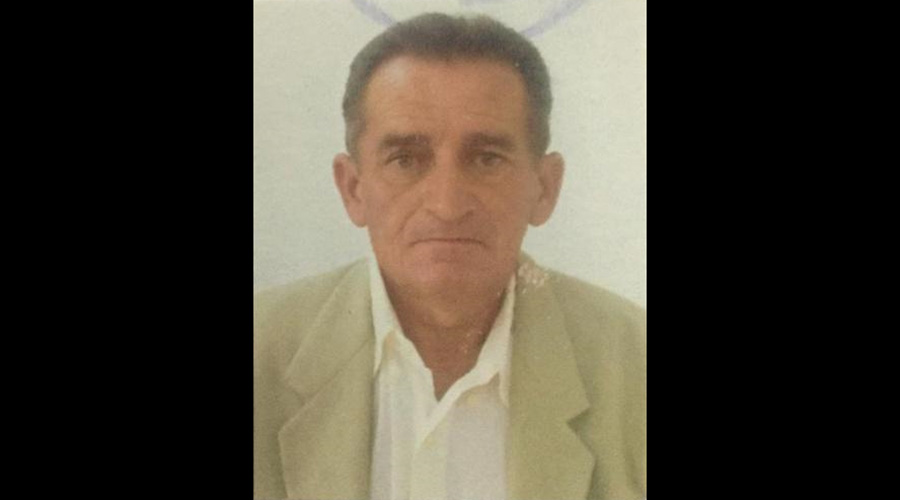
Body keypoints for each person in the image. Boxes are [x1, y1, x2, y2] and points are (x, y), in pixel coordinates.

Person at [254, 12, 645, 500]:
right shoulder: (261, 353)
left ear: (544, 188)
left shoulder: (635, 369)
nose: (447, 204)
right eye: (405, 159)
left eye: (486, 159)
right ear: (353, 189)